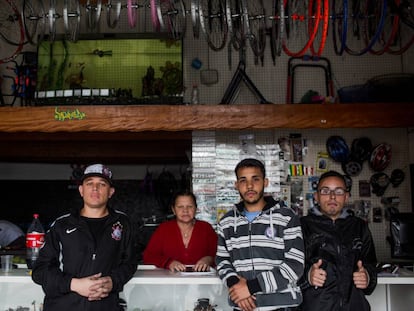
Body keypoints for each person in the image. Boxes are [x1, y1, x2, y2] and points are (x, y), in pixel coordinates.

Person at [32, 164, 137, 311]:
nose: (95, 188)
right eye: (89, 184)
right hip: (63, 306)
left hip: (105, 306)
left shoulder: (123, 223)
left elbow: (130, 262)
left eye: (102, 184)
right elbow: (40, 271)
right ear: (81, 190)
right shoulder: (61, 225)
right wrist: (74, 284)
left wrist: (113, 281)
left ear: (111, 192)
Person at [216, 158, 304, 311]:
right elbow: (222, 261)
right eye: (243, 180)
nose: (249, 186)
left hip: (282, 305)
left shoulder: (286, 217)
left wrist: (251, 287)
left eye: (255, 179)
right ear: (236, 185)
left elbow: (295, 264)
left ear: (266, 182)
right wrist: (236, 286)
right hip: (243, 306)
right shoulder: (227, 222)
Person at [299, 170, 377, 311]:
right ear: (316, 196)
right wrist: (308, 276)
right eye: (325, 191)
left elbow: (370, 265)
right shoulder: (302, 226)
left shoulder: (359, 226)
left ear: (346, 197)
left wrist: (367, 276)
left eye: (339, 191)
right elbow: (290, 270)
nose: (332, 196)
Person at [143, 190, 217, 272]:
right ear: (173, 210)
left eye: (190, 206)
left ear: (196, 208)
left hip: (201, 281)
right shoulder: (164, 229)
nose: (185, 210)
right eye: (180, 207)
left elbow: (219, 254)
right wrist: (168, 262)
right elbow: (148, 256)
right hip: (170, 281)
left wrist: (208, 259)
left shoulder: (206, 228)